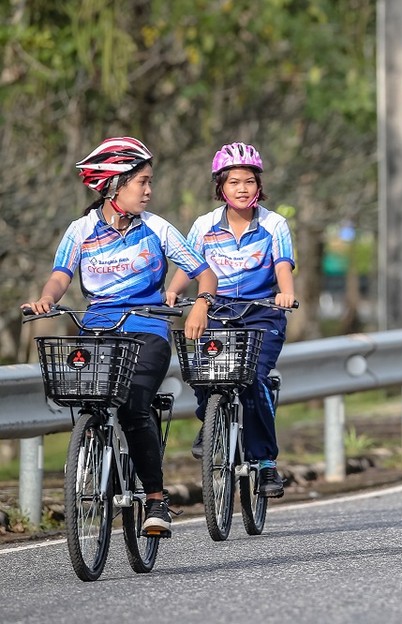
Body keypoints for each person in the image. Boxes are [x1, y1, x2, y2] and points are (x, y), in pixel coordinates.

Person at [22, 137, 217, 535]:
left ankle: (156, 500)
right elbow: (61, 275)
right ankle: (98, 457)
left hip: (148, 330)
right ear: (113, 186)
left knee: (132, 405)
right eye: (141, 182)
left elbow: (204, 272)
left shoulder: (157, 227)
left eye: (150, 182)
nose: (148, 190)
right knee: (90, 398)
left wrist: (201, 303)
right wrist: (46, 299)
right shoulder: (80, 230)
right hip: (98, 329)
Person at [166, 142, 296, 498]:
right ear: (220, 186)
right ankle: (211, 421)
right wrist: (173, 291)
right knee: (205, 371)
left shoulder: (274, 224)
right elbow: (190, 265)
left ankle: (266, 462)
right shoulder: (204, 225)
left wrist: (285, 293)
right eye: (234, 182)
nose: (242, 189)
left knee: (254, 379)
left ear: (259, 186)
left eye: (249, 181)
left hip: (262, 313)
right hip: (218, 310)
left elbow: (283, 265)